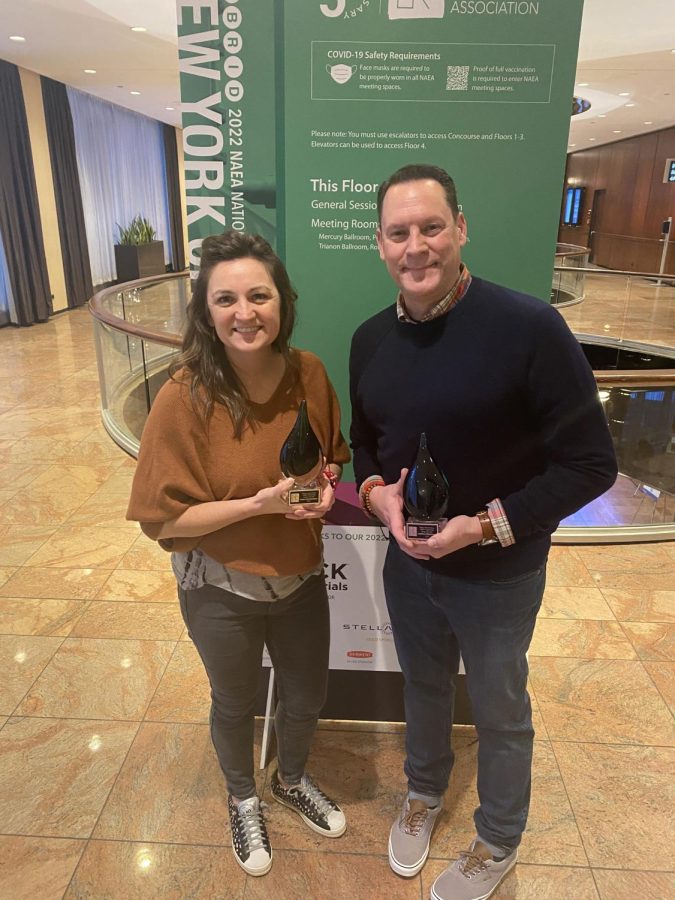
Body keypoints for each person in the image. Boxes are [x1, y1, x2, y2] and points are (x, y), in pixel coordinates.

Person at [349, 164, 617, 900]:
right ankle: (423, 792)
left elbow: (591, 464)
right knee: (424, 689)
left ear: (460, 229)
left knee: (500, 712)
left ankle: (497, 838)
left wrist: (484, 526)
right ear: (379, 244)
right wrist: (378, 499)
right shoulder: (369, 339)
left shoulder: (529, 327)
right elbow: (364, 446)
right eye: (398, 232)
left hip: (498, 573)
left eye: (431, 227)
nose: (416, 246)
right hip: (407, 565)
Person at [127, 230, 350, 877]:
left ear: (282, 303)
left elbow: (327, 463)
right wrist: (260, 505)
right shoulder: (183, 396)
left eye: (259, 295)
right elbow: (165, 517)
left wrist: (321, 496)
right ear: (205, 311)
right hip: (218, 587)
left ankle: (291, 778)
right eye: (225, 299)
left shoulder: (308, 374)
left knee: (307, 693)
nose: (244, 312)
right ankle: (244, 795)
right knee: (235, 699)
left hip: (301, 578)